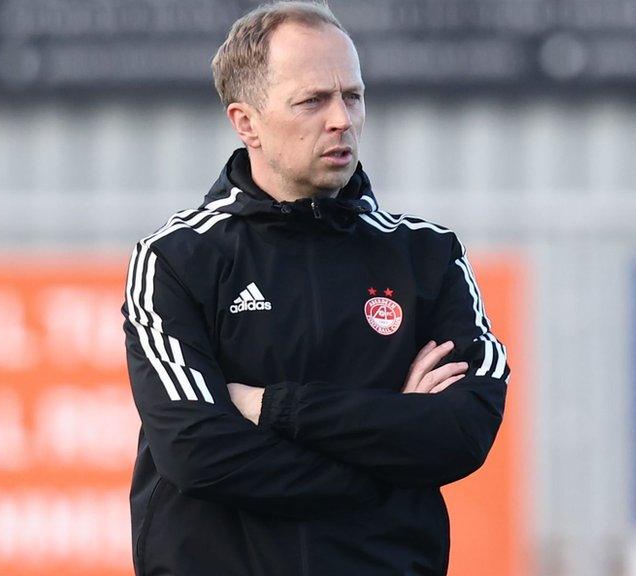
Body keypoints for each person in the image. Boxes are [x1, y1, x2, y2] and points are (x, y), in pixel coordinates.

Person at [122, 2, 509, 574]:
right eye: (312, 101)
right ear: (245, 121)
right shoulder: (178, 258)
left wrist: (270, 407)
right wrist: (390, 451)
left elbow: (461, 431)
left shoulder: (429, 255)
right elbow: (198, 454)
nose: (341, 120)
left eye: (352, 96)